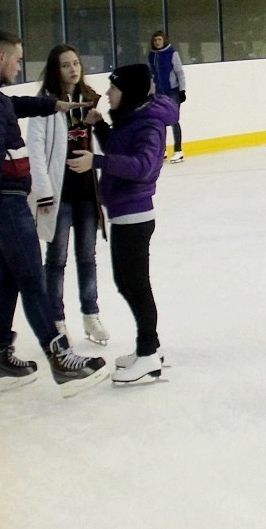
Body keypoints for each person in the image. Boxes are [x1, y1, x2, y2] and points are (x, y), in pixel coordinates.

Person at [0, 29, 109, 398]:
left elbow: (13, 106)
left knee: (9, 276)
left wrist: (53, 106)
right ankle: (60, 357)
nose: (20, 65)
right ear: (0, 58)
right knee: (31, 277)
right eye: (18, 59)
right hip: (3, 200)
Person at [88, 63, 180, 383]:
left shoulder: (150, 124)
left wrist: (96, 161)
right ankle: (148, 346)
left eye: (113, 88)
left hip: (135, 214)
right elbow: (118, 147)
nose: (108, 94)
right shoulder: (132, 117)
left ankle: (148, 354)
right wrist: (99, 127)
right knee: (126, 283)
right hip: (123, 212)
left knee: (137, 286)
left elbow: (143, 167)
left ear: (128, 92)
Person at [27, 44, 108, 347]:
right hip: (59, 194)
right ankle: (56, 320)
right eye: (65, 65)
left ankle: (91, 314)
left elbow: (99, 142)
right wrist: (44, 192)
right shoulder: (44, 104)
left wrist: (96, 125)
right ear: (54, 69)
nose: (73, 69)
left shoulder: (89, 99)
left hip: (87, 190)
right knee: (56, 259)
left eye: (76, 63)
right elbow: (35, 148)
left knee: (87, 257)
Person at [147, 29, 188, 161]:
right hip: (159, 93)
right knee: (159, 122)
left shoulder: (172, 53)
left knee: (174, 120)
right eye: (155, 40)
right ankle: (162, 149)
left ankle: (178, 150)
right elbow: (151, 76)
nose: (157, 42)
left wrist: (182, 90)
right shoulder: (152, 56)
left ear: (164, 40)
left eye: (159, 39)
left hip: (172, 91)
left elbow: (179, 72)